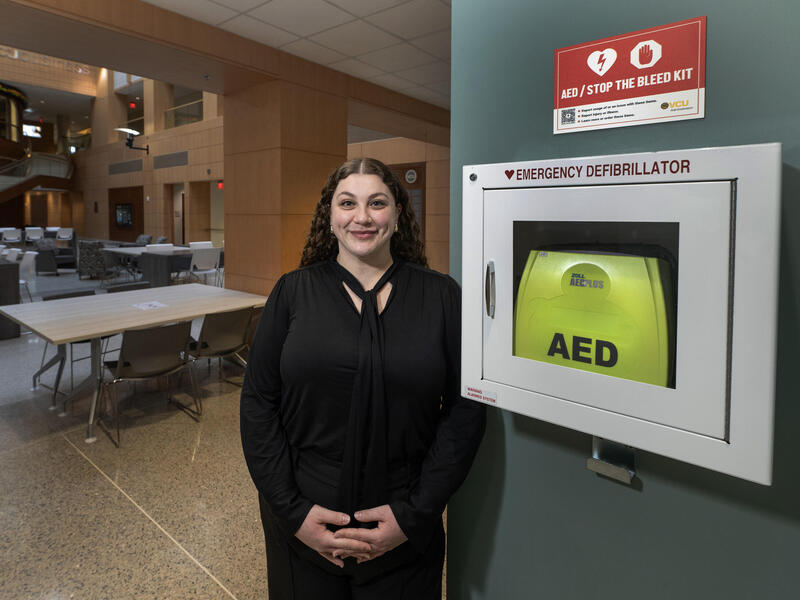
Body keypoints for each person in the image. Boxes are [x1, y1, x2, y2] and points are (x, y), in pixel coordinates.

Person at [241, 157, 486, 599]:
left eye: (377, 203)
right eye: (347, 203)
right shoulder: (292, 292)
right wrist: (292, 513)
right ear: (329, 218)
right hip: (303, 518)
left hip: (404, 518)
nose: (362, 217)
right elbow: (259, 402)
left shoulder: (442, 297)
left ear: (397, 214)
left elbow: (466, 409)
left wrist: (414, 514)